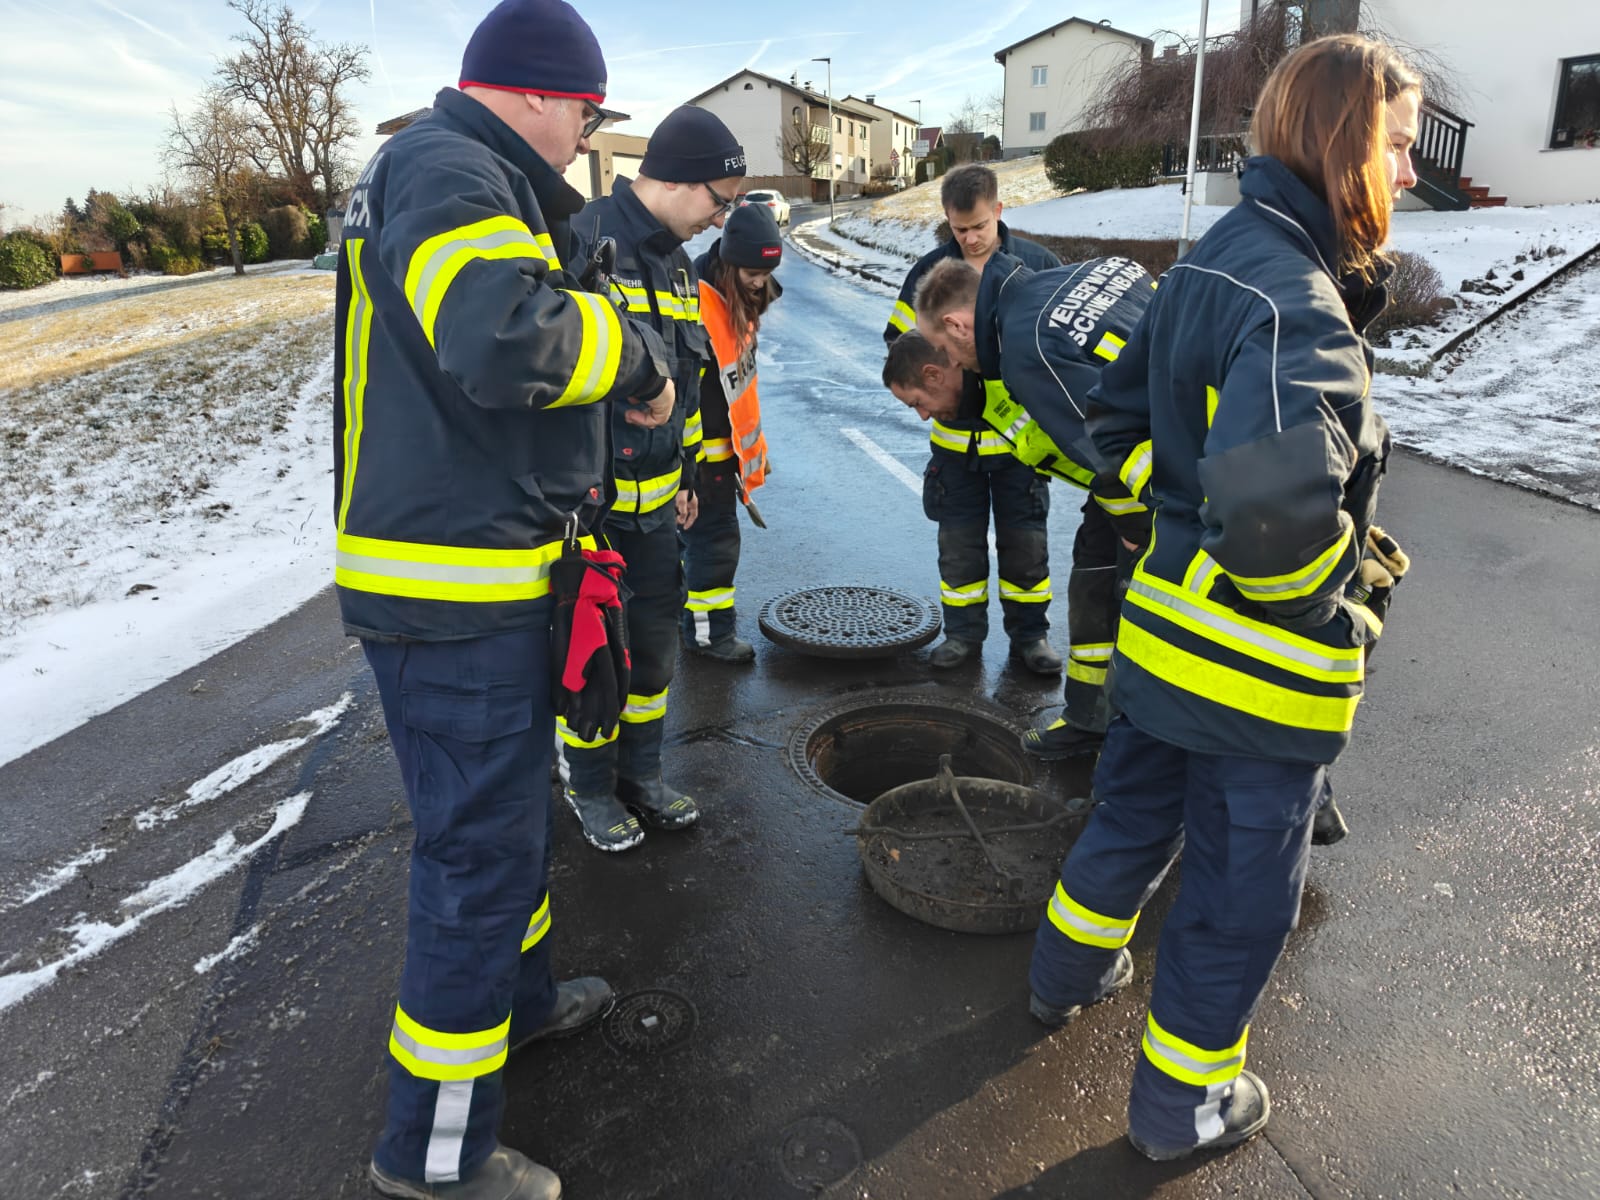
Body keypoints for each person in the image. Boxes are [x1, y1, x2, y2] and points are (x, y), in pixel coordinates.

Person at [1024, 34, 1420, 1161]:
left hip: (1161, 645)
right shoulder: (1299, 307)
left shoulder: (1212, 258)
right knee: (1241, 898)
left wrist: (1180, 513)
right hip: (1253, 678)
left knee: (1129, 821)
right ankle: (1180, 1111)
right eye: (1394, 147)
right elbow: (1276, 530)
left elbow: (1116, 426)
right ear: (1345, 148)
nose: (1405, 172)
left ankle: (1064, 979)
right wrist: (1333, 609)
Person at [332, 1, 680, 1195]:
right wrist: (631, 355)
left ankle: (517, 1006)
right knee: (475, 866)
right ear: (536, 92)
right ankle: (433, 1163)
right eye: (587, 114)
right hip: (451, 596)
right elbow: (501, 339)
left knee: (505, 833)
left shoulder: (459, 176)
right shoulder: (446, 168)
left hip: (481, 583)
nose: (589, 138)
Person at [557, 105, 747, 852]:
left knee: (654, 658)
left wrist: (693, 471)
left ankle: (641, 775)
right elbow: (556, 365)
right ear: (673, 179)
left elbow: (688, 377)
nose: (720, 218)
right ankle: (591, 788)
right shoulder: (584, 238)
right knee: (596, 660)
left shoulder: (675, 262)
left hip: (661, 511)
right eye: (718, 200)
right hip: (593, 516)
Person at [912, 252, 1154, 761]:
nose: (952, 363)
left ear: (957, 323)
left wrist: (1139, 526)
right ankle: (1088, 720)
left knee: (1149, 618)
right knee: (1092, 576)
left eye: (945, 349)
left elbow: (1104, 450)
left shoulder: (1027, 349)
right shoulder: (1065, 278)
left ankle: (1138, 760)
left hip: (1166, 480)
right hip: (1159, 456)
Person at [882, 164, 1063, 675]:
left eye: (979, 226)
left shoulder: (1034, 264)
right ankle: (962, 636)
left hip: (1019, 445)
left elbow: (1056, 349)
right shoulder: (929, 272)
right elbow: (899, 347)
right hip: (955, 448)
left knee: (1026, 545)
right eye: (960, 230)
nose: (971, 238)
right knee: (958, 548)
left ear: (999, 211)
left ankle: (1032, 637)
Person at [681, 202, 783, 661]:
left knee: (704, 547)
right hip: (702, 460)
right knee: (713, 549)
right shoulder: (700, 302)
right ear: (729, 259)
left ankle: (698, 627)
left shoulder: (736, 292)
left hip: (723, 457)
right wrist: (687, 473)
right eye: (753, 272)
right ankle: (709, 637)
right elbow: (684, 396)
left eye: (767, 271)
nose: (761, 281)